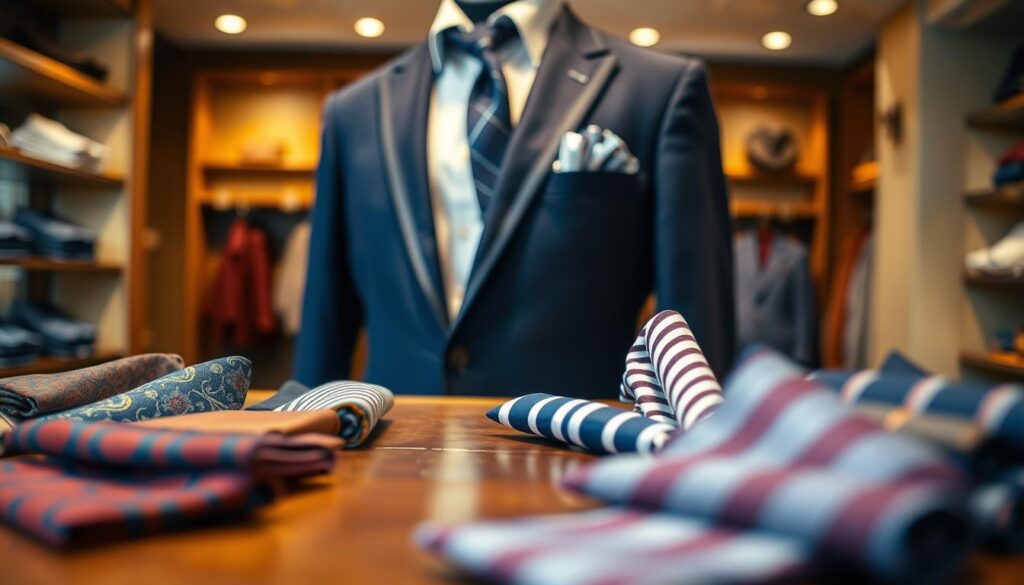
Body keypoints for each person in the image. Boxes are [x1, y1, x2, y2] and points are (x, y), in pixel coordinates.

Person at [296, 0, 734, 398]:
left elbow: (695, 316)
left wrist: (703, 456)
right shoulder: (353, 111)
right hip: (393, 455)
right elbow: (325, 320)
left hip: (573, 452)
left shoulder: (661, 89)